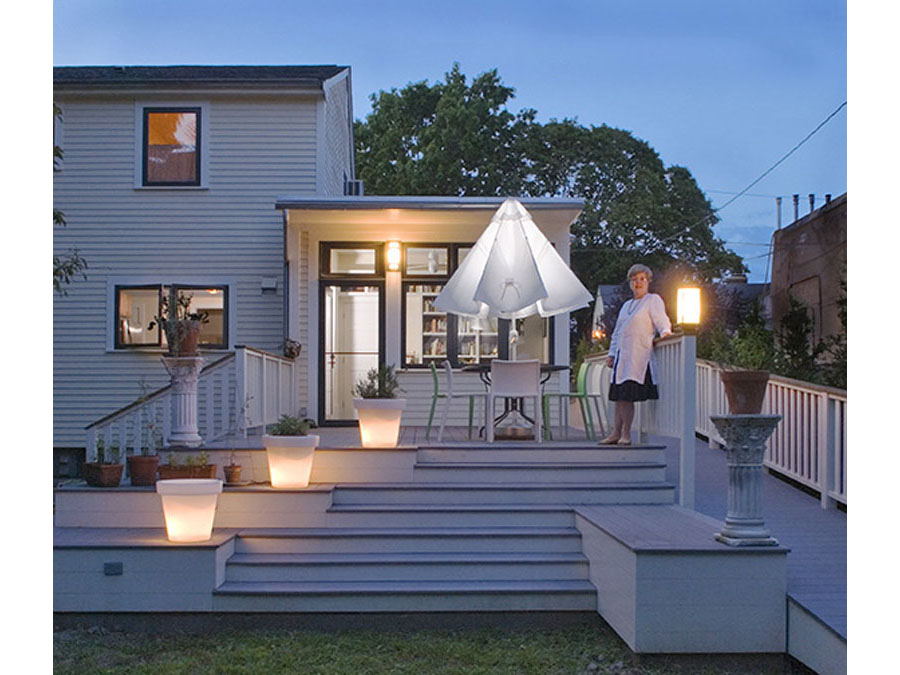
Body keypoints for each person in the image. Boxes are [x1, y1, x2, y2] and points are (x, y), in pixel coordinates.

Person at [599, 264, 672, 445]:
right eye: (634, 279)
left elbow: (661, 320)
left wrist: (665, 333)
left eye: (641, 279)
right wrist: (612, 353)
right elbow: (618, 332)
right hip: (622, 358)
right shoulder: (626, 306)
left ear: (648, 281)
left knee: (626, 396)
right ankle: (615, 432)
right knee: (618, 397)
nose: (637, 283)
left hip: (638, 356)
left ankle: (626, 434)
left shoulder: (652, 300)